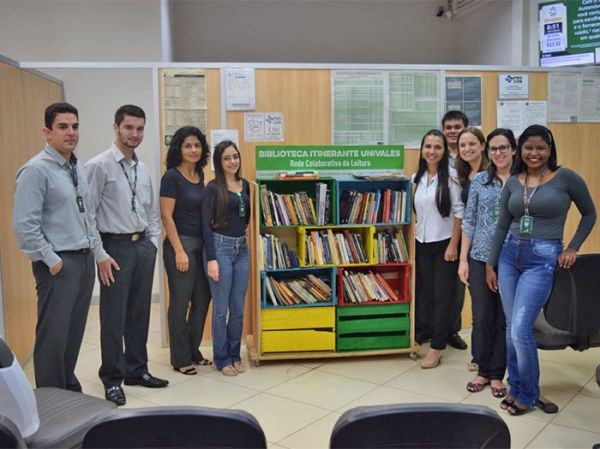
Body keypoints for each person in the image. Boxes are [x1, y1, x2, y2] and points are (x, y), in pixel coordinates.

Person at [486, 124, 596, 415]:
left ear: (550, 150)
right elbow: (501, 226)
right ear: (520, 150)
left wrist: (572, 246)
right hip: (509, 254)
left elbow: (589, 213)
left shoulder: (566, 178)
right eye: (528, 147)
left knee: (522, 329)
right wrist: (490, 263)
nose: (534, 153)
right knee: (512, 328)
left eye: (540, 148)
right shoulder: (513, 181)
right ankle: (517, 386)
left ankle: (529, 394)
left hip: (543, 257)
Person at [12, 103, 118, 392]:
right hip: (58, 265)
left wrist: (99, 254)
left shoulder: (75, 168)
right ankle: (50, 401)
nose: (70, 132)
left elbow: (87, 217)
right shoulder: (36, 171)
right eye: (62, 127)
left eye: (75, 126)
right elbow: (25, 227)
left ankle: (68, 388)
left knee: (73, 334)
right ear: (47, 132)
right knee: (53, 338)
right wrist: (53, 261)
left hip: (83, 262)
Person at [85, 105, 168, 406]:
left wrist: (152, 244)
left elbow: (151, 212)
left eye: (140, 128)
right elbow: (88, 216)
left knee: (139, 313)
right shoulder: (99, 165)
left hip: (141, 246)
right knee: (113, 317)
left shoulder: (142, 169)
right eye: (129, 127)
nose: (135, 134)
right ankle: (111, 378)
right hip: (114, 248)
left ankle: (137, 370)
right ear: (116, 127)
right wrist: (100, 254)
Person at [459, 128, 515, 398]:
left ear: (513, 149)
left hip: (513, 259)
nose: (498, 153)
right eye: (493, 149)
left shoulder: (525, 180)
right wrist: (463, 260)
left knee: (502, 320)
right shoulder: (481, 180)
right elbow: (469, 222)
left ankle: (497, 373)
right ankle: (482, 369)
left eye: (503, 147)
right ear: (488, 151)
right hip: (480, 257)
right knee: (482, 316)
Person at [160, 126, 212, 375]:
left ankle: (193, 349)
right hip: (180, 246)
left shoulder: (200, 174)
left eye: (197, 145)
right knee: (180, 303)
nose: (193, 150)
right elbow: (166, 216)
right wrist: (179, 251)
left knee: (202, 301)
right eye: (188, 145)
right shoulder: (171, 177)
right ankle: (180, 358)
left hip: (201, 247)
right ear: (179, 149)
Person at [412, 130, 464, 369]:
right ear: (422, 150)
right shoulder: (416, 177)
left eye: (437, 147)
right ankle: (425, 331)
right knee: (424, 293)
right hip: (421, 242)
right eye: (428, 146)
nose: (431, 151)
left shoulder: (452, 177)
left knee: (443, 296)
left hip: (445, 244)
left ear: (444, 151)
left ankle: (437, 347)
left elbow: (459, 214)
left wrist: (454, 245)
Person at [202, 140, 250, 376]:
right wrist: (211, 258)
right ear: (218, 162)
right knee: (222, 310)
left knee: (238, 309)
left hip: (242, 250)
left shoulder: (247, 185)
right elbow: (205, 225)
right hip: (219, 249)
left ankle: (235, 354)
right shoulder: (212, 187)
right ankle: (221, 359)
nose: (232, 161)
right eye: (226, 158)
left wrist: (250, 228)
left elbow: (249, 216)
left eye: (235, 156)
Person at [455, 126, 490, 369]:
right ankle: (479, 357)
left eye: (472, 144)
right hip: (472, 244)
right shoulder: (461, 174)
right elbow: (467, 217)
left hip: (493, 245)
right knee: (479, 307)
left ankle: (494, 358)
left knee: (492, 310)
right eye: (462, 145)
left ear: (482, 145)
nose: (467, 149)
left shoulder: (492, 173)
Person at [441, 110, 470, 351]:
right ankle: (430, 329)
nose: (453, 130)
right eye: (449, 127)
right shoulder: (437, 155)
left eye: (457, 126)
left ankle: (453, 330)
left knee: (458, 284)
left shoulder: (470, 156)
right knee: (436, 284)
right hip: (441, 228)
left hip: (465, 228)